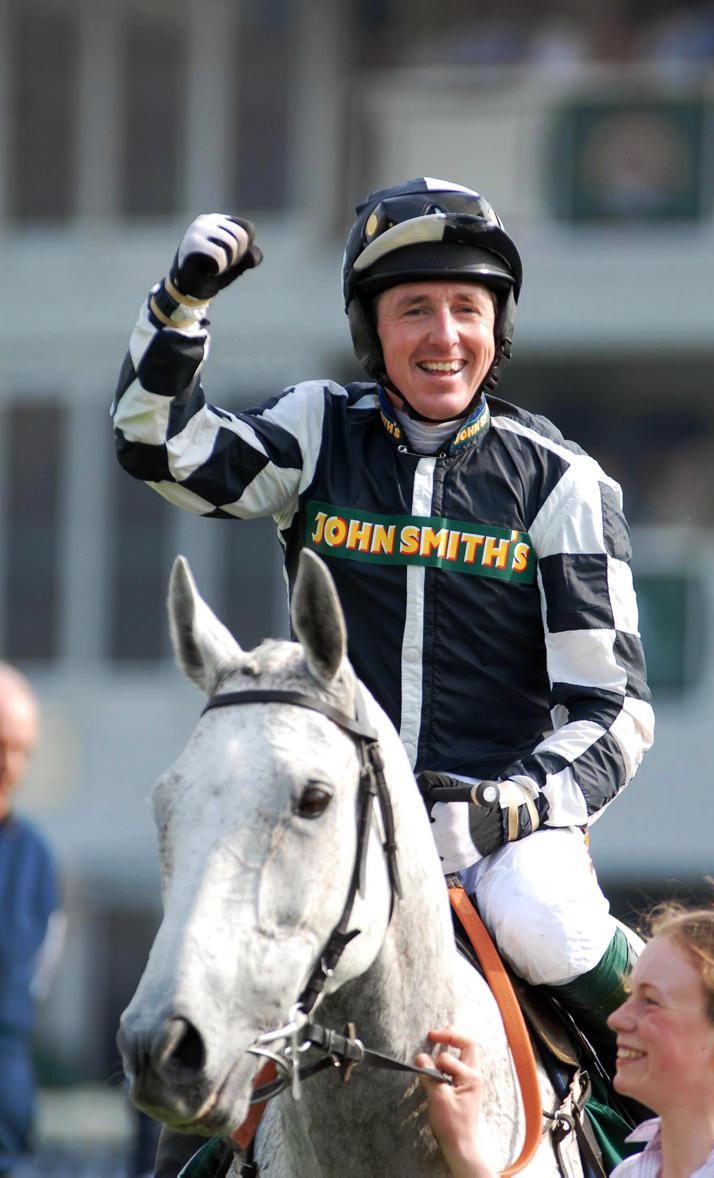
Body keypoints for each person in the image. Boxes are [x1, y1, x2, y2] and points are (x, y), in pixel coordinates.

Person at [112, 179, 653, 1163]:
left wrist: (509, 808)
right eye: (415, 309)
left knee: (548, 922)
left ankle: (685, 1107)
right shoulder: (319, 428)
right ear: (372, 330)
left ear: (497, 327)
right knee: (218, 955)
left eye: (466, 309)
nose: (444, 335)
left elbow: (613, 709)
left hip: (495, 832)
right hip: (333, 820)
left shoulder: (561, 480)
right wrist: (179, 306)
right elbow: (158, 446)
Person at [417, 907, 714, 1177]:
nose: (616, 1019)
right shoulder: (634, 1169)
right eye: (630, 997)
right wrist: (464, 1144)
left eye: (650, 1001)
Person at [0, 664, 63, 1177]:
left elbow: (39, 974)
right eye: (0, 745)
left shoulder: (35, 859)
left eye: (22, 750)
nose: (9, 764)